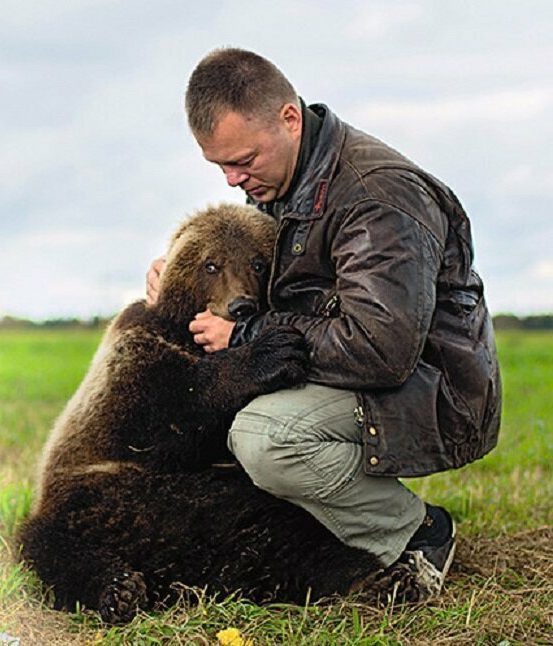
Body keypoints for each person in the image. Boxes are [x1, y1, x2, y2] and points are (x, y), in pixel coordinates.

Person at [146, 48, 502, 599]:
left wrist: (244, 338)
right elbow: (266, 278)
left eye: (242, 160)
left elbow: (380, 347)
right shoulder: (282, 179)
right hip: (354, 363)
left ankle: (418, 529)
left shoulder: (378, 196)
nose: (233, 180)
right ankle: (319, 526)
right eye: (220, 166)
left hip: (429, 385)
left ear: (289, 119)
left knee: (266, 437)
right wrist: (183, 275)